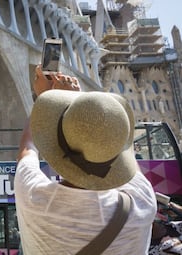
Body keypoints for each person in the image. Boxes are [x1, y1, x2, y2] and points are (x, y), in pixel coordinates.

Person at [14, 64, 157, 254]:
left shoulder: (35, 201)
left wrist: (48, 99)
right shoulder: (143, 202)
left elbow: (27, 149)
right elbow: (124, 148)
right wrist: (81, 103)